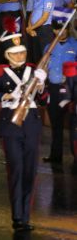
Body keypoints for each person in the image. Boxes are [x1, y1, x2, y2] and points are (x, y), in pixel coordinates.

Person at [0, 32, 47, 232]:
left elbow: (44, 100)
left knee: (30, 172)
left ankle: (25, 215)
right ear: (8, 55)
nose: (20, 57)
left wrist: (42, 87)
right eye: (15, 54)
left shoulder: (34, 71)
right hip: (11, 125)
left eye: (22, 53)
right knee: (16, 170)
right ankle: (17, 216)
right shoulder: (1, 73)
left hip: (31, 124)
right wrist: (7, 95)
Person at [42, 9, 77, 165]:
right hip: (55, 89)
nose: (60, 31)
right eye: (57, 29)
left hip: (71, 90)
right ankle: (55, 156)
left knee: (74, 127)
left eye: (63, 28)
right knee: (56, 125)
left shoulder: (75, 45)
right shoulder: (49, 47)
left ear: (68, 29)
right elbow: (44, 67)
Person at [26, 0, 55, 64]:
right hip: (35, 29)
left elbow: (44, 18)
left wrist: (31, 28)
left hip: (44, 30)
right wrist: (30, 27)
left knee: (44, 56)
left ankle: (45, 77)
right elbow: (33, 13)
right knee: (36, 55)